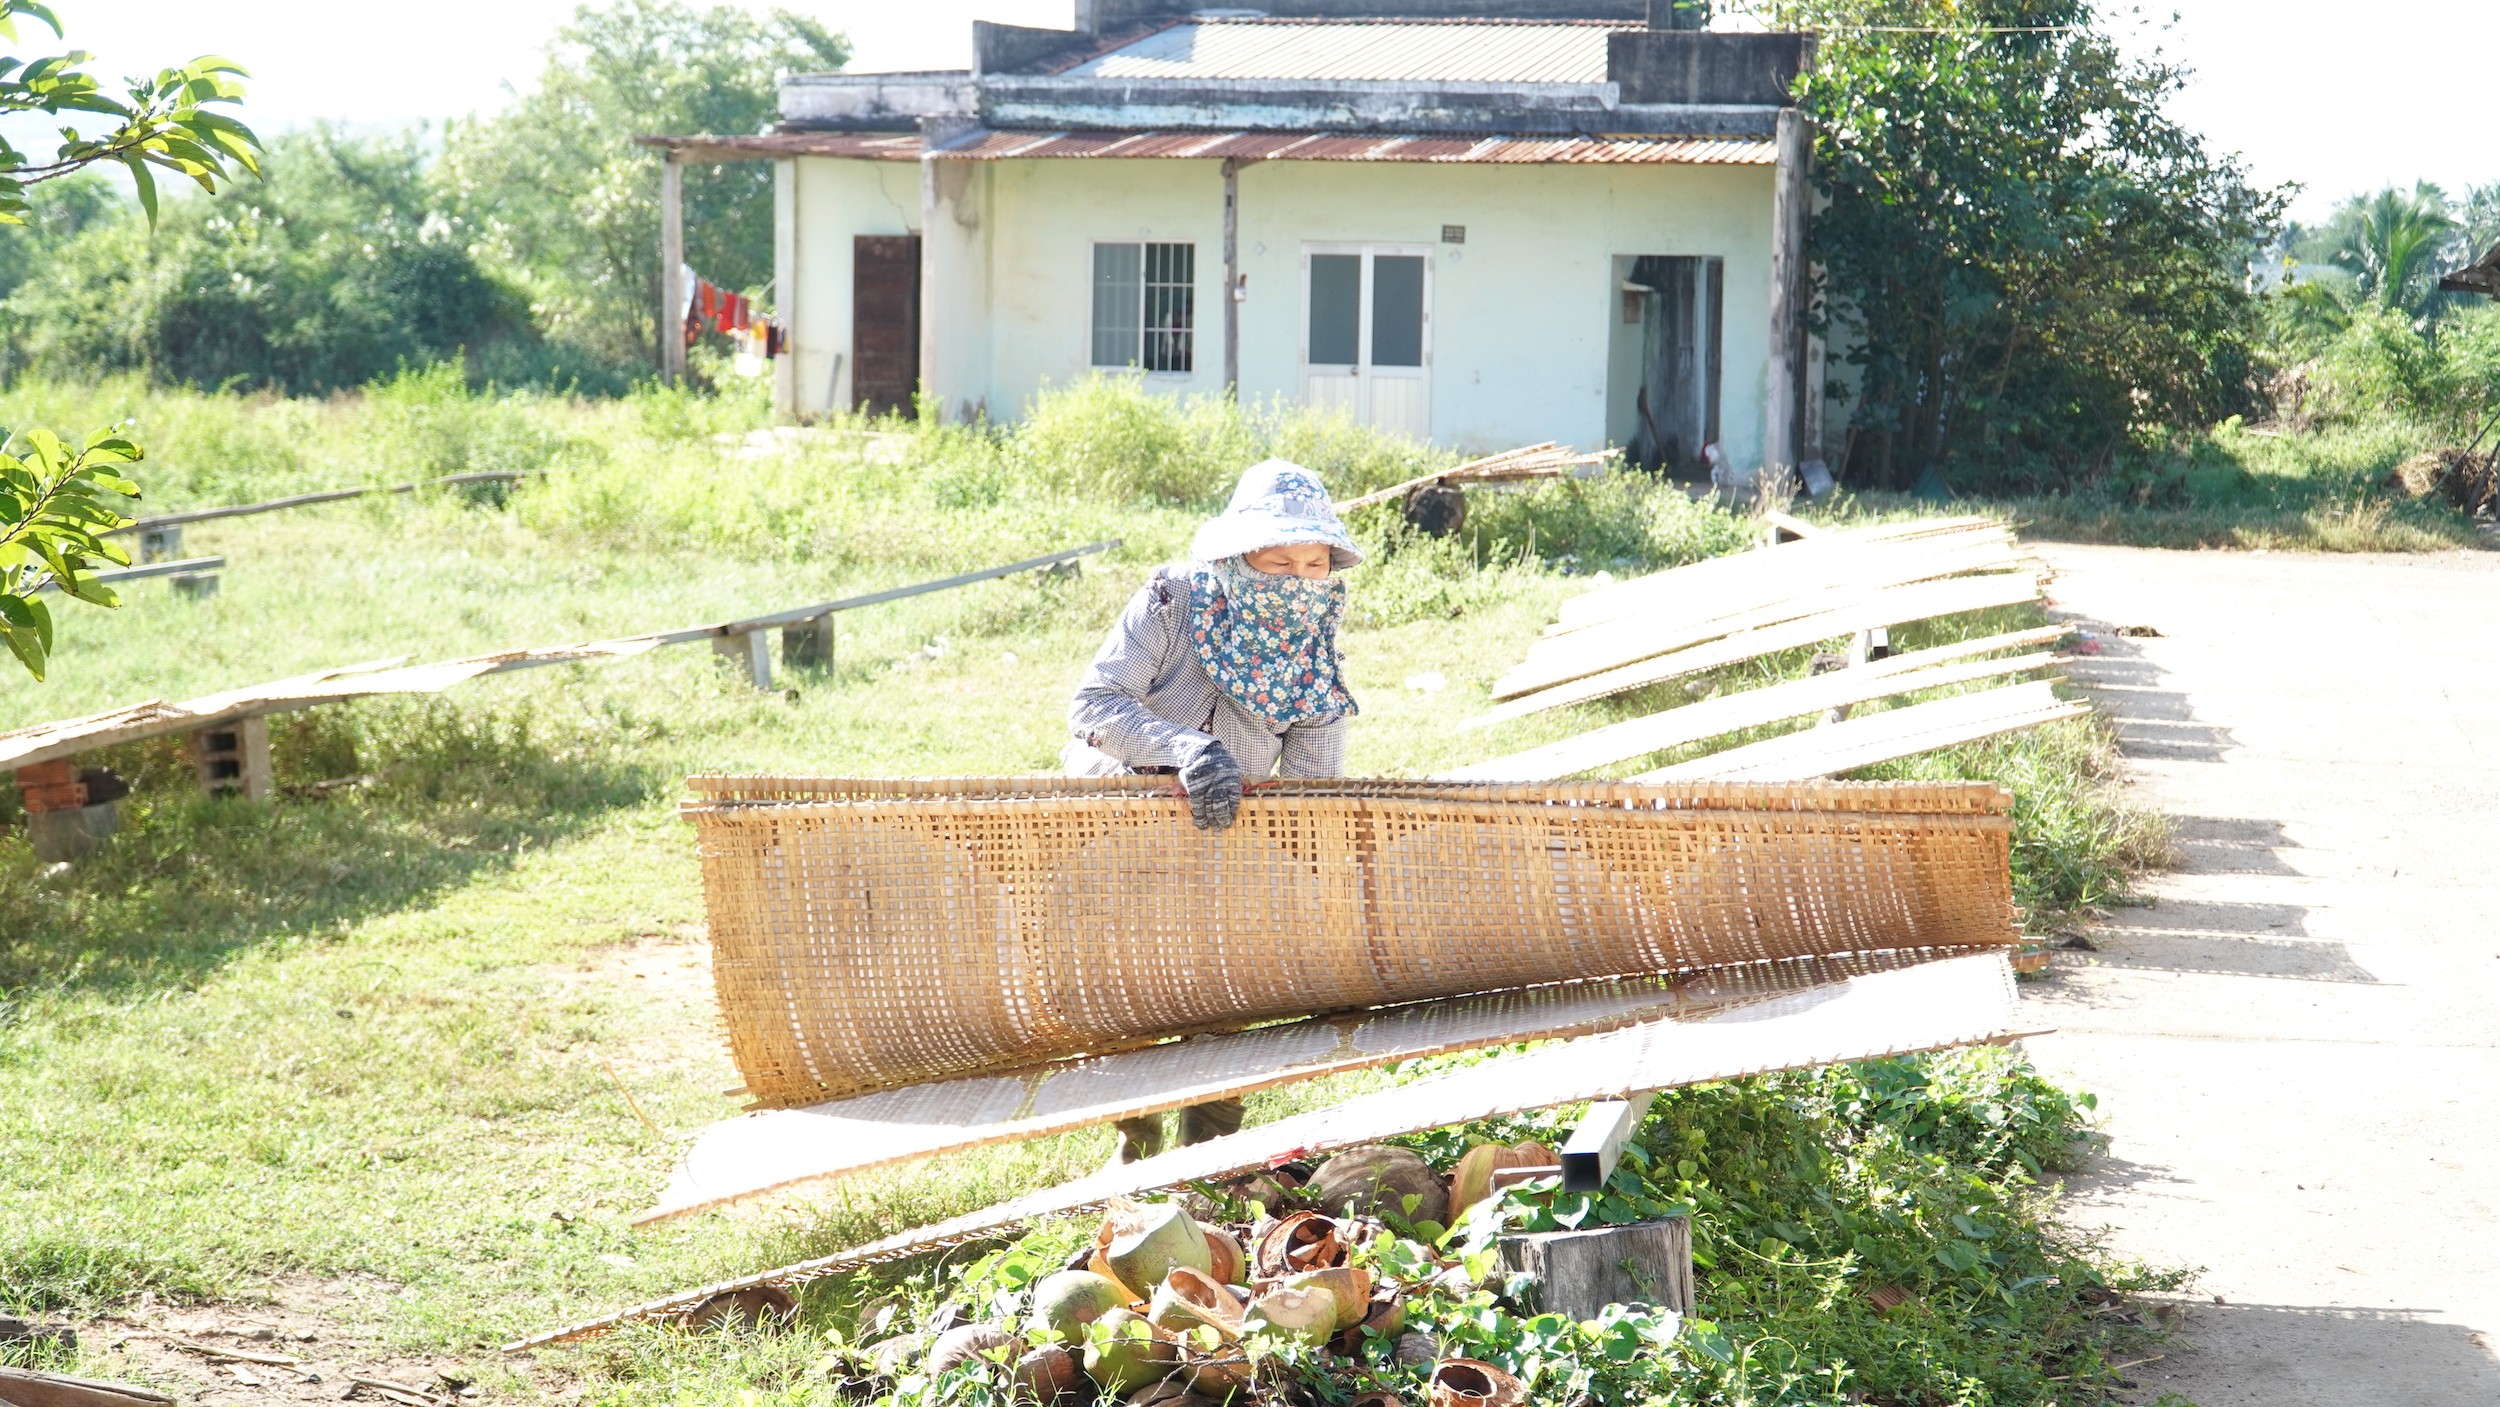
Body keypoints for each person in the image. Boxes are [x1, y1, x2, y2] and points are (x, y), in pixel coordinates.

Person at [1065, 458, 1363, 1161]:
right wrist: (1183, 749)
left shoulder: (1313, 650)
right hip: (1120, 816)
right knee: (1126, 988)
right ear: (1237, 556)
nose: (1295, 580)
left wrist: (1307, 870)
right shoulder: (1173, 601)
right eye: (1277, 560)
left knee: (1225, 986)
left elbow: (1312, 791)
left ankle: (1209, 1164)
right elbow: (1093, 706)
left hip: (1224, 833)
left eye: (1312, 564)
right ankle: (1134, 1145)